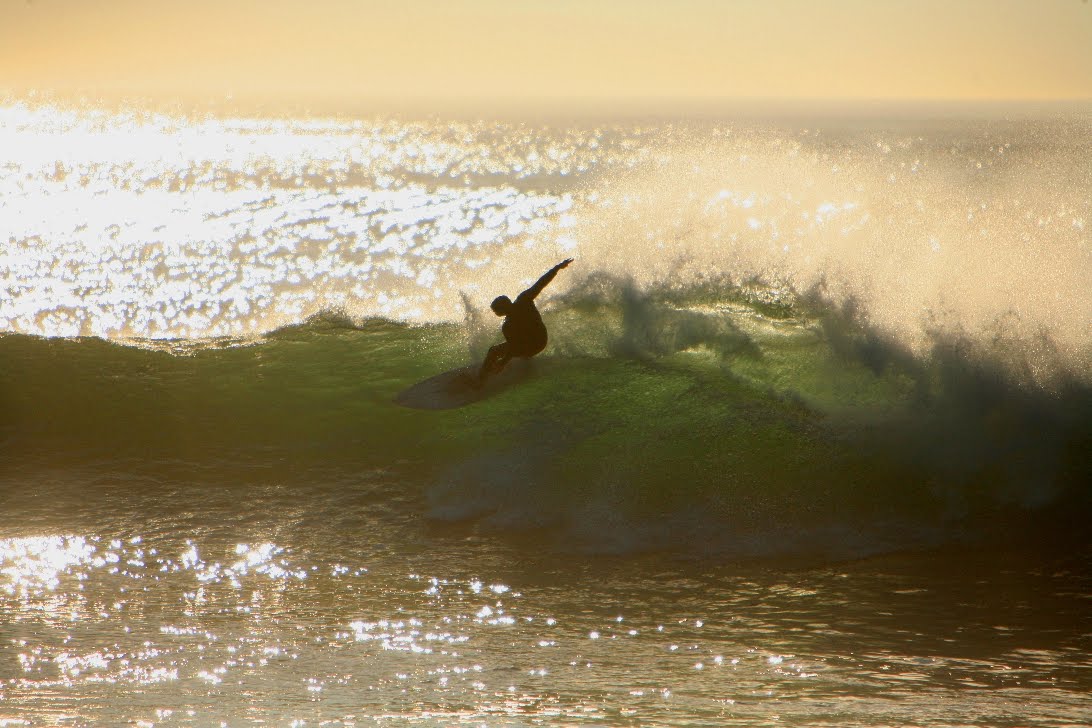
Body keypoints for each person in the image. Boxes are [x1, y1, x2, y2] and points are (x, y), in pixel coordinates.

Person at [478, 258, 574, 384]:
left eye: (495, 311)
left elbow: (513, 347)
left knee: (494, 351)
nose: (495, 313)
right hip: (542, 340)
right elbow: (540, 284)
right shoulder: (524, 300)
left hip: (531, 346)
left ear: (501, 310)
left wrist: (503, 362)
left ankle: (480, 381)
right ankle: (524, 362)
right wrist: (557, 268)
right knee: (519, 343)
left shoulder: (507, 325)